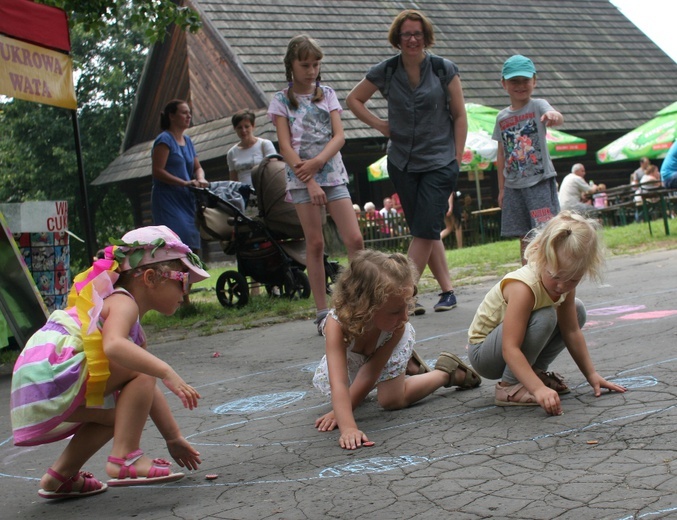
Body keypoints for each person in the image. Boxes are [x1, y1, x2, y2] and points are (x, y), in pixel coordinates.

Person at [10, 225, 208, 499]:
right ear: (151, 277)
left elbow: (145, 390)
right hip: (52, 372)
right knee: (142, 368)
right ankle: (125, 458)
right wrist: (166, 371)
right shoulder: (122, 302)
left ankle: (59, 477)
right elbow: (114, 346)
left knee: (118, 417)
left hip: (34, 383)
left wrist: (172, 438)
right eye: (183, 281)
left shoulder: (115, 307)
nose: (185, 292)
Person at [346, 9, 468, 315]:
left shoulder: (443, 69)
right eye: (406, 34)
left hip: (440, 161)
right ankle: (447, 291)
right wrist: (381, 126)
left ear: (425, 37)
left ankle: (401, 294)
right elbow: (353, 99)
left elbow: (460, 114)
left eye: (417, 34)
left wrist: (456, 157)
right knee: (423, 228)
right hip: (402, 162)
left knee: (425, 228)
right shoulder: (386, 71)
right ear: (397, 39)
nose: (412, 39)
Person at [313, 250, 481, 449]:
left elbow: (369, 375)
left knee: (392, 400)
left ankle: (447, 372)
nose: (405, 317)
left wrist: (345, 417)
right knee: (346, 398)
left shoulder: (397, 326)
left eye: (407, 306)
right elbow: (338, 382)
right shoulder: (337, 325)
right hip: (358, 358)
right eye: (395, 311)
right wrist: (347, 426)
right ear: (365, 307)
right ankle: (408, 365)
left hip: (386, 347)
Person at [466, 211, 627, 416]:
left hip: (506, 349)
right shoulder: (524, 288)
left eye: (572, 279)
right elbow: (510, 348)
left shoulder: (564, 285)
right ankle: (509, 386)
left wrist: (592, 374)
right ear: (542, 257)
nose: (562, 286)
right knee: (546, 316)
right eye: (555, 276)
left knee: (576, 310)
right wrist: (538, 389)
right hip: (484, 354)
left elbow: (571, 331)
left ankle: (534, 373)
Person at [268, 35, 364, 334]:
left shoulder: (329, 94)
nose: (311, 70)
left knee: (355, 241)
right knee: (316, 243)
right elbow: (285, 146)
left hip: (332, 173)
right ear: (291, 66)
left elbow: (340, 136)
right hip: (300, 180)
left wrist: (318, 163)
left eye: (316, 64)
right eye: (305, 64)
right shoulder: (281, 101)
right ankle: (322, 312)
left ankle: (362, 301)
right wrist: (308, 179)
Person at [492, 55, 563, 265]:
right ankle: (528, 277)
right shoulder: (501, 118)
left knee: (546, 233)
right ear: (504, 84)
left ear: (534, 80)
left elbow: (556, 114)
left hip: (538, 181)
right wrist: (502, 189)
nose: (520, 86)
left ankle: (552, 274)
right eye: (514, 81)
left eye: (525, 80)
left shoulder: (538, 105)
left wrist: (553, 117)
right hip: (514, 186)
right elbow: (501, 154)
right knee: (523, 236)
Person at [151, 100, 208, 254]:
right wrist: (183, 182)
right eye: (184, 112)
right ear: (172, 116)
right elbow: (158, 171)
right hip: (168, 199)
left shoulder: (188, 141)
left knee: (191, 241)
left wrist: (201, 179)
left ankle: (191, 276)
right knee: (176, 242)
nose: (188, 116)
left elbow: (197, 167)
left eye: (189, 113)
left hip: (187, 199)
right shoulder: (164, 140)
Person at [227, 109, 277, 187]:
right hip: (245, 195)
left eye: (247, 126)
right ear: (235, 129)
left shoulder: (265, 144)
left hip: (265, 192)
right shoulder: (231, 153)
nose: (243, 130)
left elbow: (275, 170)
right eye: (239, 127)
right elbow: (233, 181)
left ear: (253, 126)